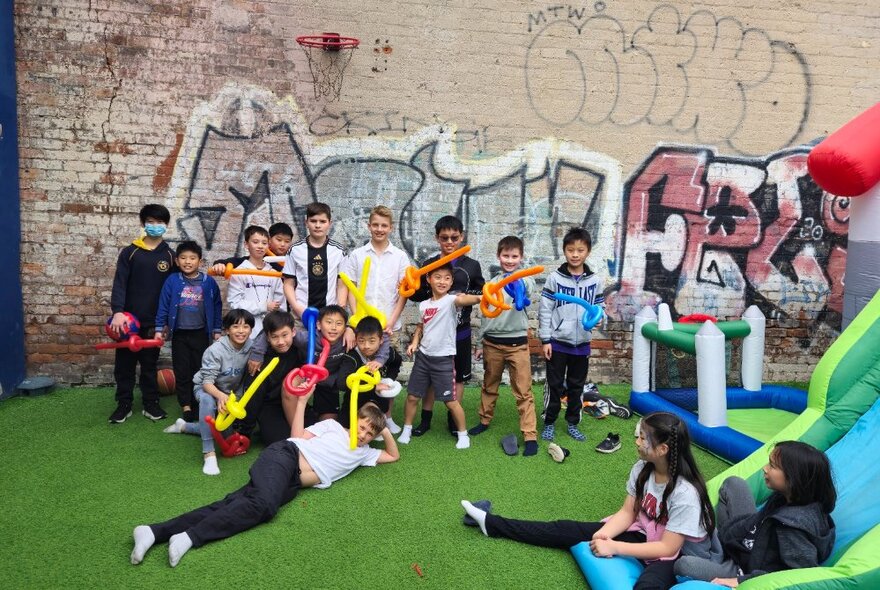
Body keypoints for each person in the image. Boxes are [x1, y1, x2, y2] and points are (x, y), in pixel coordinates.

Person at [130, 389, 399, 568]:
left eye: (369, 433)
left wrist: (383, 429)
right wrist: (303, 403)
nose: (363, 434)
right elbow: (295, 436)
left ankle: (154, 531)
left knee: (230, 504)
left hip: (290, 482)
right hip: (285, 456)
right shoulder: (332, 428)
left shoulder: (365, 453)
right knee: (265, 506)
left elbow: (393, 456)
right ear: (355, 419)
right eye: (362, 426)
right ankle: (191, 536)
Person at [460, 412, 718, 590]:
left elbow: (666, 549)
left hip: (677, 552)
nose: (636, 441)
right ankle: (491, 524)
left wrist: (615, 548)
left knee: (646, 586)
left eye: (642, 438)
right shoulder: (643, 468)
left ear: (662, 449)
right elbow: (628, 513)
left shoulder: (685, 494)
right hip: (645, 533)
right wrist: (603, 535)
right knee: (564, 529)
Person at [674, 441, 836, 588]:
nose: (765, 468)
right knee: (733, 484)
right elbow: (755, 523)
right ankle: (717, 546)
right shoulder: (791, 497)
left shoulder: (792, 528)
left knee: (685, 566)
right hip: (751, 541)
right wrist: (729, 536)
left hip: (746, 569)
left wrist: (741, 581)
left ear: (794, 478)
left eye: (772, 466)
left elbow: (795, 577)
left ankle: (713, 556)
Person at [408, 215, 484, 436]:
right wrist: (406, 287)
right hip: (433, 335)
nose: (449, 242)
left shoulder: (472, 266)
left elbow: (482, 294)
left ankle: (453, 421)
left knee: (458, 377)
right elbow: (420, 295)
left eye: (454, 237)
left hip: (460, 333)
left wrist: (465, 296)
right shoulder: (428, 265)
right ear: (437, 238)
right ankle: (425, 419)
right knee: (431, 379)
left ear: (461, 237)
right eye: (444, 238)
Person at [339, 205, 410, 432]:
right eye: (376, 225)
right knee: (363, 372)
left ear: (391, 228)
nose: (379, 229)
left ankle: (386, 416)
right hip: (363, 326)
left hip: (389, 326)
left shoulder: (400, 257)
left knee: (388, 372)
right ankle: (361, 418)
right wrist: (354, 321)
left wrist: (392, 320)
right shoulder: (358, 255)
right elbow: (351, 288)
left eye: (384, 225)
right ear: (369, 226)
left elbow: (403, 292)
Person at [468, 236, 539, 457]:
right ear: (499, 256)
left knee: (523, 392)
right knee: (489, 385)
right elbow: (485, 317)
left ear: (521, 258)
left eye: (514, 256)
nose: (509, 260)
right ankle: (484, 420)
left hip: (517, 345)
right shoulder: (491, 285)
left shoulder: (526, 280)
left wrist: (515, 282)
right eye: (505, 256)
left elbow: (525, 287)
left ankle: (530, 436)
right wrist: (480, 343)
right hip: (493, 344)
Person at [399, 263, 482, 449]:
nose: (442, 281)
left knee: (451, 402)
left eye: (447, 278)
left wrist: (483, 297)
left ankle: (463, 434)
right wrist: (414, 343)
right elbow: (422, 325)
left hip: (443, 359)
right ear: (428, 279)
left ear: (451, 281)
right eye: (437, 277)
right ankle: (406, 429)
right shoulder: (423, 305)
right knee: (412, 396)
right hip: (423, 357)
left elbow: (466, 300)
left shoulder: (451, 300)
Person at [108, 203, 177, 424]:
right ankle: (124, 404)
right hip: (128, 323)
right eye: (151, 222)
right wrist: (118, 312)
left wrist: (165, 323)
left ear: (166, 226)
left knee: (149, 365)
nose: (155, 226)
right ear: (143, 224)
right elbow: (119, 284)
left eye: (160, 222)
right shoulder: (130, 252)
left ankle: (150, 403)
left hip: (154, 323)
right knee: (124, 367)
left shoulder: (170, 255)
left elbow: (173, 292)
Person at [163, 309, 254, 475]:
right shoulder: (215, 350)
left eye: (246, 326)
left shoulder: (252, 347)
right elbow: (206, 383)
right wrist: (220, 396)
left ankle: (184, 427)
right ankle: (208, 453)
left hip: (230, 393)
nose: (241, 331)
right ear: (227, 330)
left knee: (223, 434)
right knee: (207, 402)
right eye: (235, 326)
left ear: (251, 329)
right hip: (207, 388)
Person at [538, 226, 604, 442]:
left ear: (588, 252)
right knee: (554, 385)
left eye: (580, 250)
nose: (575, 255)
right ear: (564, 251)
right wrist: (546, 339)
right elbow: (545, 310)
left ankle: (573, 423)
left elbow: (600, 310)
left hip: (582, 344)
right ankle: (549, 422)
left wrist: (600, 318)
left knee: (577, 386)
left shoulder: (595, 281)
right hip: (557, 343)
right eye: (570, 250)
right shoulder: (555, 279)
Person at [155, 241, 223, 422]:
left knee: (199, 369)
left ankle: (199, 402)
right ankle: (185, 405)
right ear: (177, 261)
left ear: (199, 261)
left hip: (201, 333)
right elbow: (163, 305)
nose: (188, 262)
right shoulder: (172, 281)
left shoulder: (209, 282)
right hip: (179, 334)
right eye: (183, 258)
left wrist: (217, 330)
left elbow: (217, 306)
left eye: (192, 258)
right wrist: (159, 327)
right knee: (182, 370)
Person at [234, 311, 304, 444]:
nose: (281, 342)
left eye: (285, 335)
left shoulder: (299, 349)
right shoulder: (258, 361)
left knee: (312, 430)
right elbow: (253, 395)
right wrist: (245, 432)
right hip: (269, 406)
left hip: (293, 402)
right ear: (267, 337)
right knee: (282, 440)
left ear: (293, 332)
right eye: (275, 337)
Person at [337, 316, 403, 429]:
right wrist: (374, 386)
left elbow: (397, 361)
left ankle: (383, 419)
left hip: (377, 400)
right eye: (361, 341)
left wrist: (389, 379)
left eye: (372, 341)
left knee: (372, 427)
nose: (366, 346)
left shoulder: (386, 354)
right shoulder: (352, 357)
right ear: (356, 339)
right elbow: (342, 383)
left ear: (381, 340)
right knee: (345, 430)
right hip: (354, 402)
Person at [225, 225, 285, 338]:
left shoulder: (274, 272)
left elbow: (281, 303)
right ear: (246, 245)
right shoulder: (239, 272)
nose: (260, 246)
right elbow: (235, 303)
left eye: (264, 243)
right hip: (247, 331)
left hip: (271, 330)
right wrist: (263, 306)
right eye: (255, 242)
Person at [210, 222, 293, 273]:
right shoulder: (261, 258)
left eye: (287, 241)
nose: (283, 244)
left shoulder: (292, 260)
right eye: (279, 240)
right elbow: (234, 261)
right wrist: (220, 264)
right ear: (269, 240)